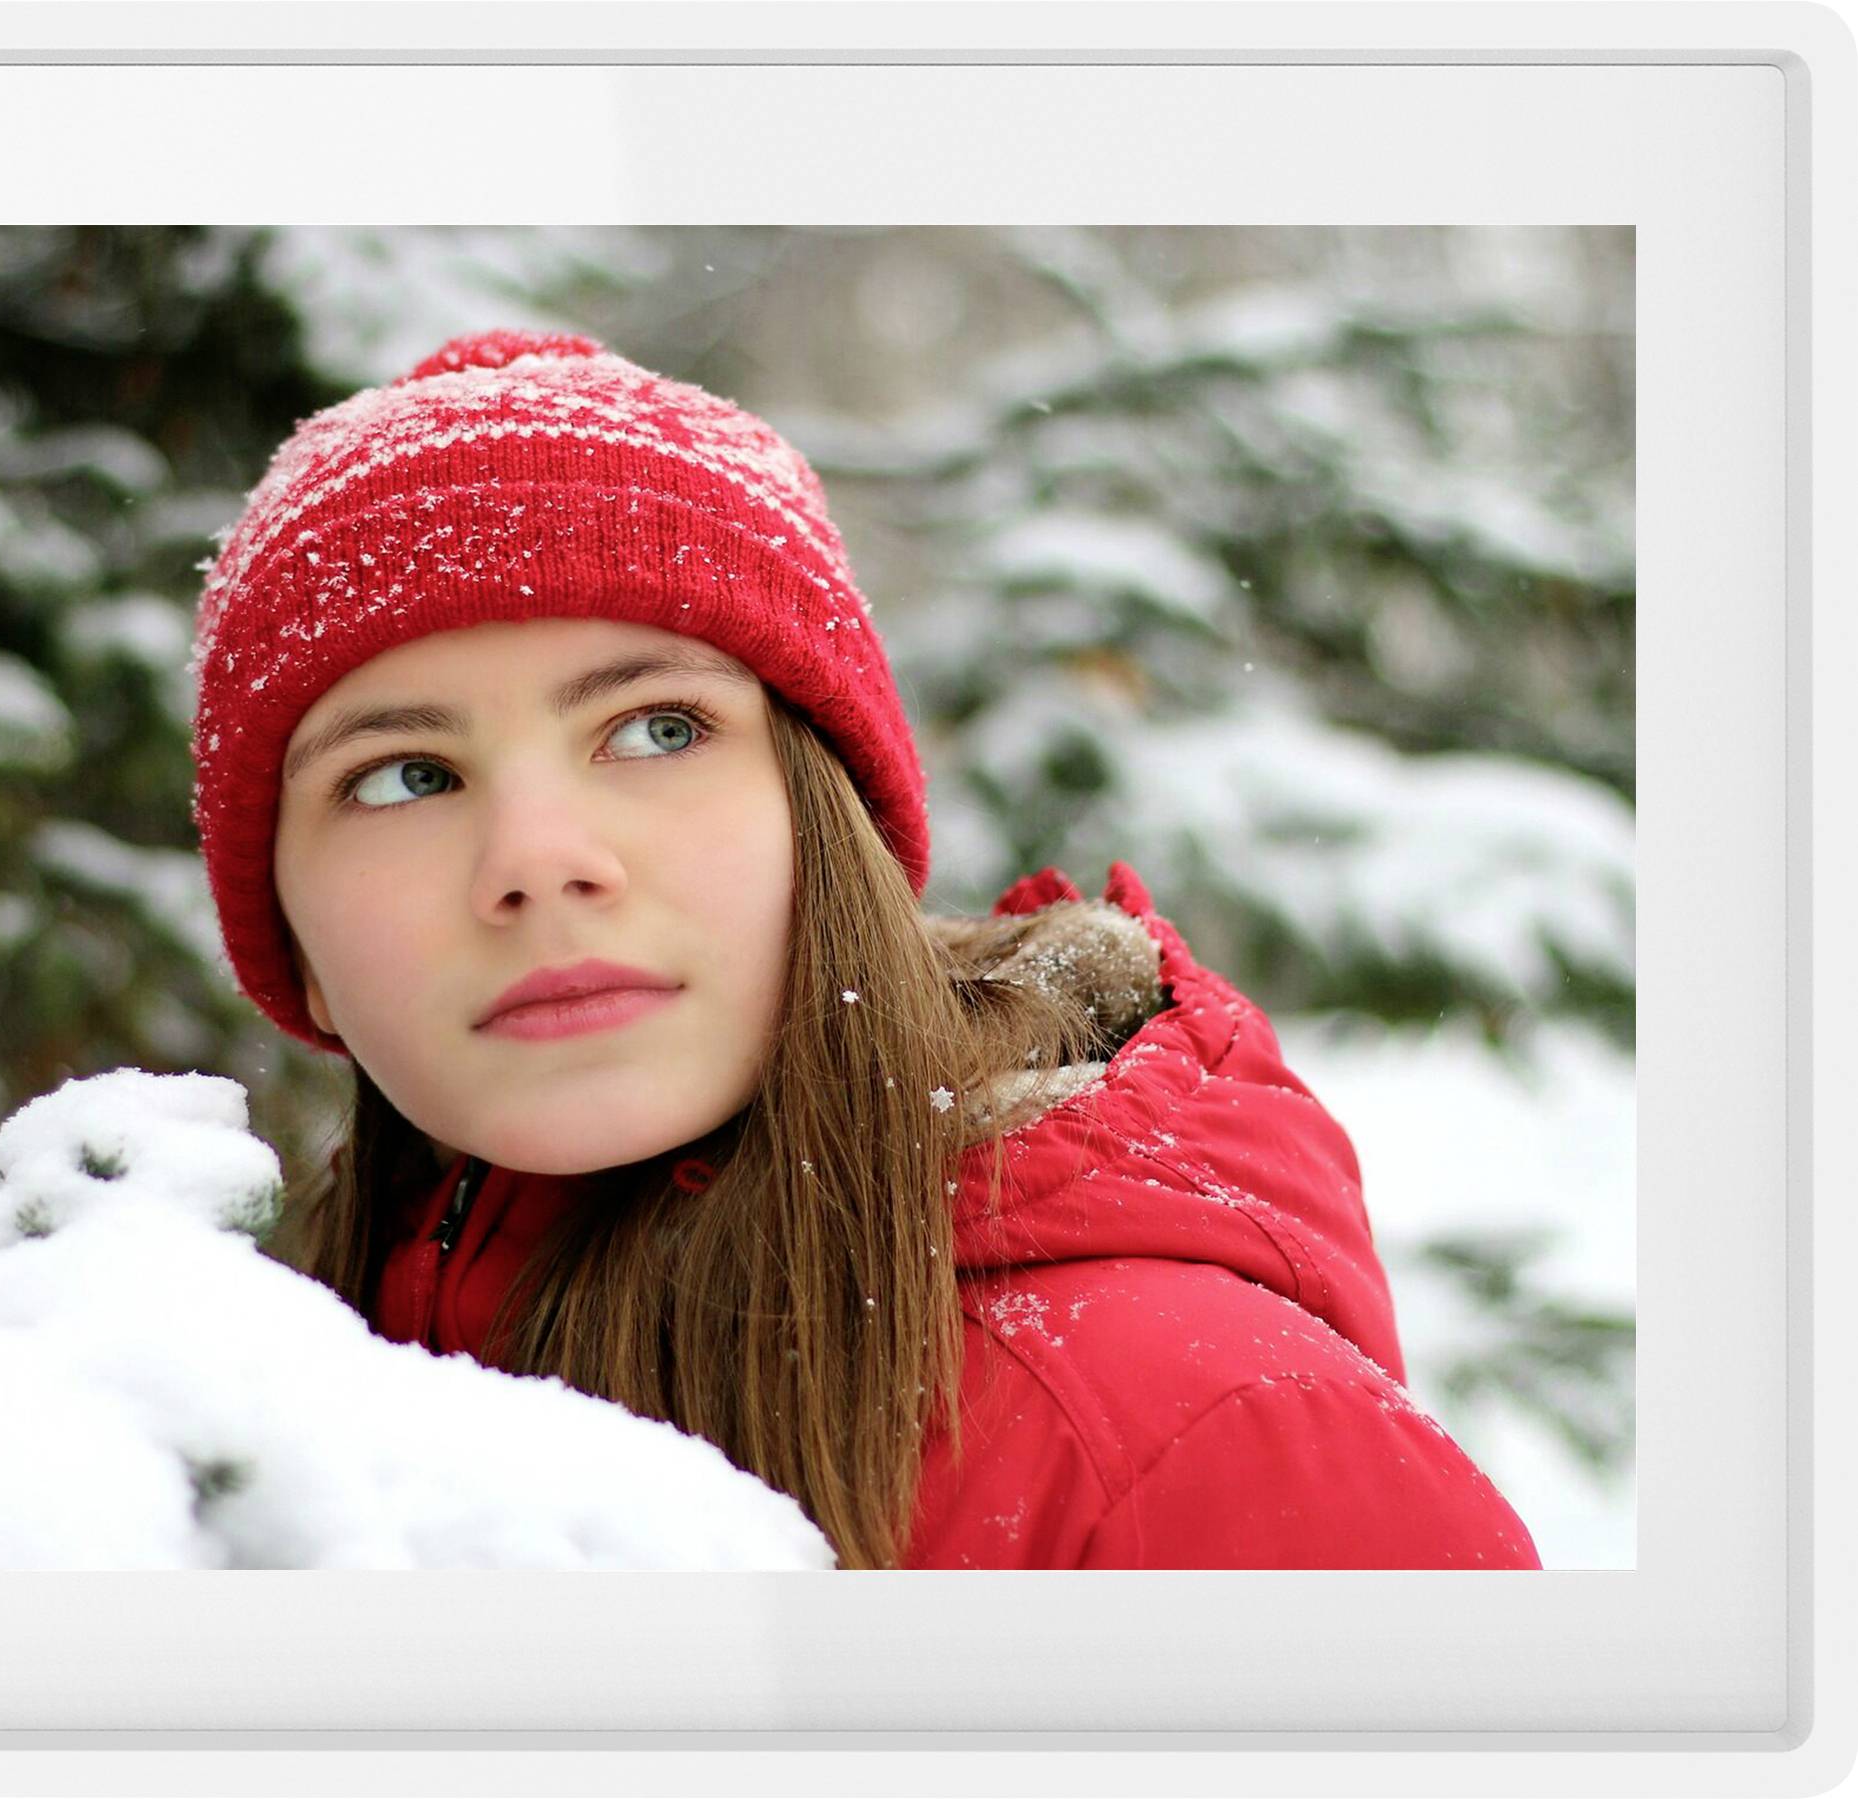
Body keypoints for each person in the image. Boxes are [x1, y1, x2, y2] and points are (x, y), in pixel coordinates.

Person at [186, 327, 1541, 1571]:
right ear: (290, 940)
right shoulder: (217, 1431)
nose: (538, 859)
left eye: (657, 729)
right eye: (405, 777)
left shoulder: (1189, 1441)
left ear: (825, 825)